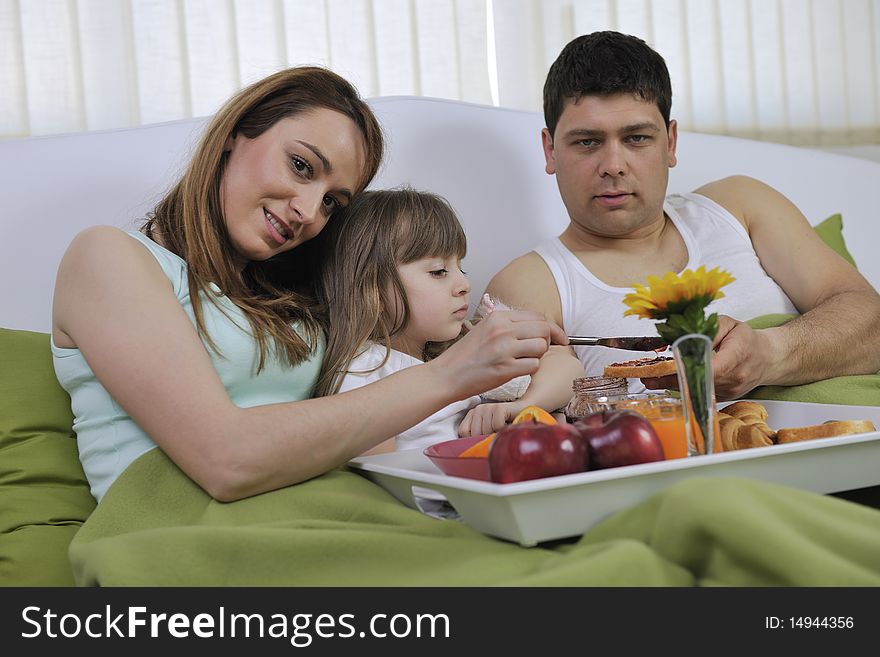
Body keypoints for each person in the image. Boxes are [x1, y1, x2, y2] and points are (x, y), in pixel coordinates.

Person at [50, 66, 565, 504]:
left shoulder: (290, 299)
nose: (307, 212)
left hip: (319, 514)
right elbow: (225, 459)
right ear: (237, 133)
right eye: (300, 166)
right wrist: (454, 373)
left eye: (332, 203)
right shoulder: (110, 257)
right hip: (179, 535)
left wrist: (515, 346)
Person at [486, 31, 880, 400]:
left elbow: (871, 322)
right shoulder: (532, 284)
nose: (613, 165)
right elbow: (528, 415)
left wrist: (768, 353)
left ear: (670, 142)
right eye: (587, 142)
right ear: (551, 151)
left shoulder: (740, 206)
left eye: (636, 138)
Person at [311, 188, 584, 453]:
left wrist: (521, 406)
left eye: (460, 267)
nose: (464, 284)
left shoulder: (457, 352)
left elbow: (569, 370)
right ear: (370, 286)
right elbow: (380, 473)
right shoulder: (364, 371)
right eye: (439, 271)